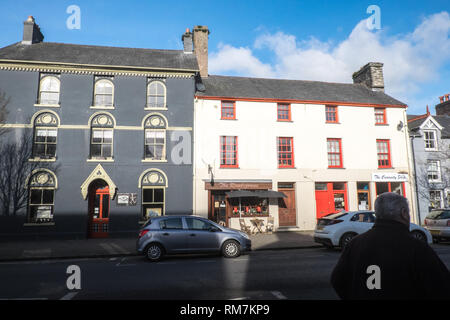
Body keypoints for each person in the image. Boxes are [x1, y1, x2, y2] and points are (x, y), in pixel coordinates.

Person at [331, 192, 450, 300]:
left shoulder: (355, 244)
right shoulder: (417, 248)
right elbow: (441, 288)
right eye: (408, 212)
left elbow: (337, 280)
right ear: (404, 213)